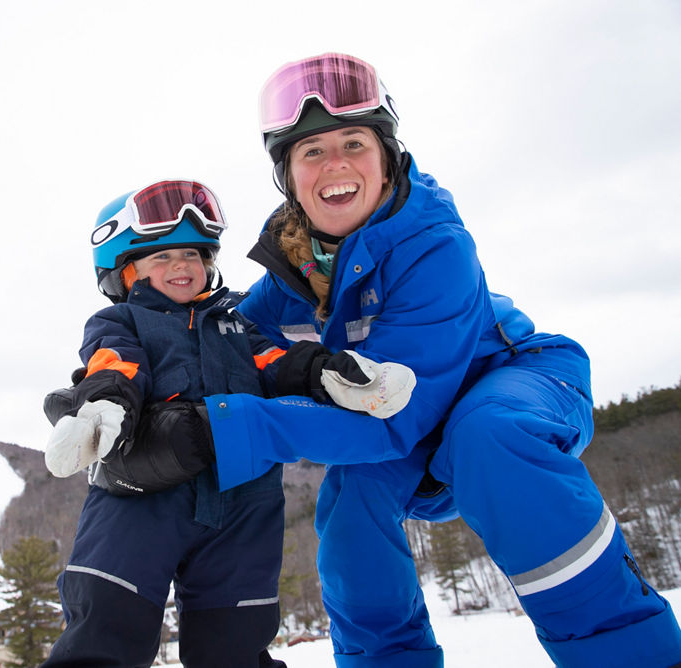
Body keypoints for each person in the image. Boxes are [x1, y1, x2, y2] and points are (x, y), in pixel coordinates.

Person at [192, 54, 681, 667]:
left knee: (489, 436)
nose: (335, 164)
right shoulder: (290, 275)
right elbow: (223, 341)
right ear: (288, 176)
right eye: (311, 151)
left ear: (388, 155)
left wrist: (230, 429)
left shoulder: (433, 244)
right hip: (406, 421)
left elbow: (395, 420)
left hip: (512, 376)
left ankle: (629, 654)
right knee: (350, 502)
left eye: (354, 143)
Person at [39, 178, 416, 668]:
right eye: (162, 257)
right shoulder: (124, 322)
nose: (183, 266)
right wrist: (104, 407)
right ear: (125, 273)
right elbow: (115, 365)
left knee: (236, 639)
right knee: (107, 625)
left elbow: (280, 363)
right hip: (142, 495)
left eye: (194, 255)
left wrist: (330, 372)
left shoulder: (237, 325)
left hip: (243, 500)